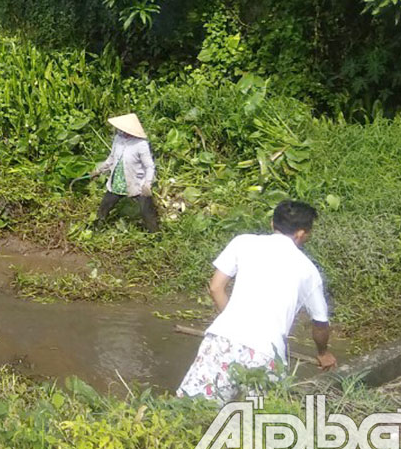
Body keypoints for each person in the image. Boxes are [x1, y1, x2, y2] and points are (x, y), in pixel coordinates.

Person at [176, 200, 336, 402]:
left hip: (221, 342)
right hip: (265, 353)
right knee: (260, 422)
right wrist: (323, 353)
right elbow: (320, 323)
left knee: (192, 409)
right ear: (302, 234)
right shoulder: (308, 271)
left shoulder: (243, 242)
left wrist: (233, 321)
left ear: (272, 224)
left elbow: (216, 288)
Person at [90, 112, 159, 231]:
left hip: (137, 182)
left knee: (146, 211)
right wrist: (99, 170)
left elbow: (149, 166)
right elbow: (111, 158)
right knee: (105, 205)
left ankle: (156, 234)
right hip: (118, 180)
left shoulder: (140, 144)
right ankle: (97, 228)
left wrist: (147, 183)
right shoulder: (118, 139)